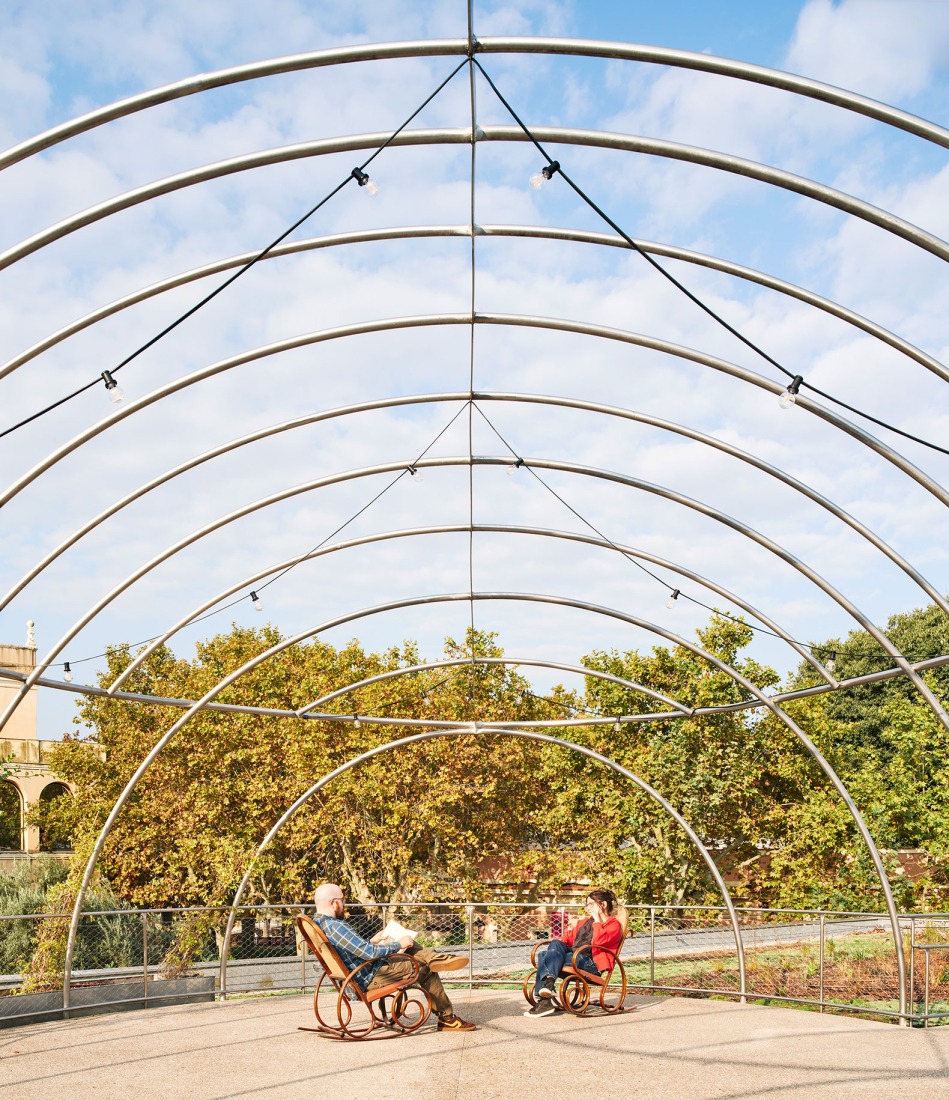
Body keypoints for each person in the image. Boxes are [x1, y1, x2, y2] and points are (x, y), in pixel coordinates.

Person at [312, 883, 477, 1032]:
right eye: (342, 900)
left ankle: (435, 958)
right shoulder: (336, 926)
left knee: (409, 944)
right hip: (368, 977)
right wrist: (397, 944)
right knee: (425, 967)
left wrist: (372, 941)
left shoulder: (318, 924)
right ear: (333, 902)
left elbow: (349, 950)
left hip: (359, 975)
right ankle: (447, 1018)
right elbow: (368, 953)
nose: (344, 904)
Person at [524, 888, 622, 1018]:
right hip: (575, 957)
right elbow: (568, 938)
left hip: (591, 964)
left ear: (603, 905)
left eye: (591, 904)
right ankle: (548, 988)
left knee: (544, 956)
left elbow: (599, 941)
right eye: (587, 904)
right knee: (554, 945)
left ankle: (544, 1000)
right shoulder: (584, 922)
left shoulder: (614, 925)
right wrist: (555, 948)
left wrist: (597, 920)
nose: (588, 908)